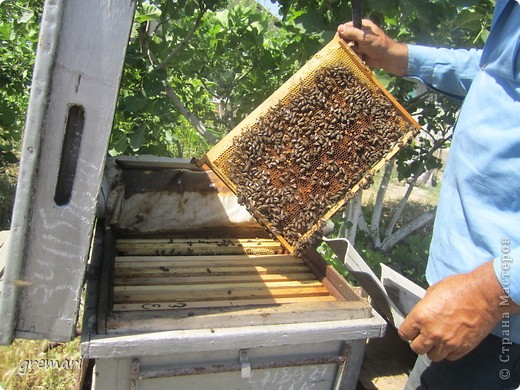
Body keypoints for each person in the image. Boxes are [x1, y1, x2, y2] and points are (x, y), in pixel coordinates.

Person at [338, 1, 520, 389]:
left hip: (499, 314)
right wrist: (403, 56)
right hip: (471, 288)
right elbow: (499, 73)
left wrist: (491, 293)